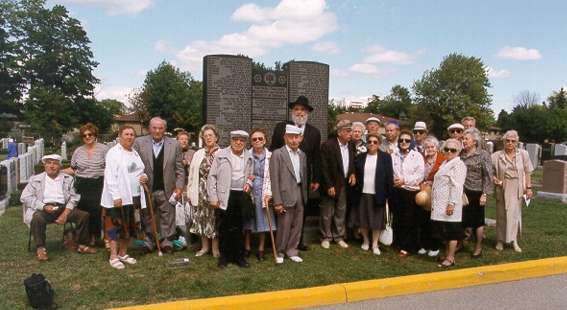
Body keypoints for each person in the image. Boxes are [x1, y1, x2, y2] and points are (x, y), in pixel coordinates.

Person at [21, 154, 97, 261]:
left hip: (63, 208)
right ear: (45, 166)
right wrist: (43, 206)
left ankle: (82, 245)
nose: (52, 166)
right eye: (49, 163)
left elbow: (74, 197)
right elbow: (25, 197)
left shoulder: (67, 179)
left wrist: (65, 213)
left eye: (55, 163)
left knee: (84, 215)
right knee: (37, 218)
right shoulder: (35, 180)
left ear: (60, 166)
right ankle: (41, 248)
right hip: (44, 209)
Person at [270, 95, 321, 251]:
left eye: (303, 110)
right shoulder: (281, 127)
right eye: (297, 109)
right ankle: (281, 245)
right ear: (292, 111)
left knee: (301, 211)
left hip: (303, 180)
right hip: (284, 178)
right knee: (284, 213)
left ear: (308, 113)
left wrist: (316, 178)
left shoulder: (314, 132)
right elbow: (273, 152)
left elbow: (316, 157)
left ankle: (297, 243)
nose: (300, 112)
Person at [134, 117, 185, 254]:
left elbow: (180, 169)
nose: (157, 131)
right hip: (146, 189)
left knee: (167, 216)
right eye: (154, 128)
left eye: (160, 128)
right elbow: (134, 167)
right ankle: (149, 242)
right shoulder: (139, 143)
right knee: (147, 216)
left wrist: (179, 187)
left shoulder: (174, 145)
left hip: (167, 188)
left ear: (165, 129)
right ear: (149, 128)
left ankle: (166, 242)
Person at [101, 126, 147, 269]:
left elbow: (139, 170)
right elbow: (110, 176)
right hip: (117, 198)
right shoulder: (113, 153)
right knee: (114, 227)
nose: (129, 137)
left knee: (129, 226)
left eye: (132, 134)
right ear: (120, 136)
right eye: (126, 134)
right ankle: (113, 256)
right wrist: (116, 195)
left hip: (133, 196)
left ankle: (123, 253)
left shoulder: (134, 153)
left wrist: (144, 177)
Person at [208, 130, 253, 268]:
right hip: (225, 195)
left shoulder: (249, 156)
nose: (238, 143)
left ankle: (239, 257)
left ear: (245, 142)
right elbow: (212, 176)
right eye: (235, 140)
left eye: (242, 140)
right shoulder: (221, 155)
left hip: (241, 195)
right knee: (225, 227)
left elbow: (252, 175)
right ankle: (224, 258)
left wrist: (249, 184)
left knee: (239, 227)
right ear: (231, 140)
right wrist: (213, 197)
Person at [64, 123, 108, 246]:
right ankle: (84, 236)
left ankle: (94, 236)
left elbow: (110, 167)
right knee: (83, 211)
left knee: (95, 211)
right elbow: (73, 169)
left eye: (90, 134)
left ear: (95, 135)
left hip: (98, 184)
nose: (87, 137)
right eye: (84, 135)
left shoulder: (104, 149)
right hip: (82, 184)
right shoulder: (78, 151)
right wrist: (59, 171)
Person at [270, 125, 309, 264]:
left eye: (296, 137)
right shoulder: (278, 154)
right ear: (285, 137)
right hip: (285, 194)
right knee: (284, 225)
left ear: (300, 138)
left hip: (299, 192)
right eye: (290, 137)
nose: (293, 140)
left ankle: (292, 250)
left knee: (297, 224)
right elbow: (274, 179)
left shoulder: (302, 154)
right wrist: (277, 201)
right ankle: (280, 252)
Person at [492, 130, 533, 253]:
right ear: (503, 142)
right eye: (507, 141)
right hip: (502, 187)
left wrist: (529, 187)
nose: (510, 143)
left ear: (517, 142)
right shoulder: (495, 156)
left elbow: (527, 171)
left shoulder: (524, 154)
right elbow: (490, 173)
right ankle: (500, 240)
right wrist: (495, 180)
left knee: (514, 215)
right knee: (501, 215)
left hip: (517, 188)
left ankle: (514, 240)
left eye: (513, 141)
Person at [351, 133, 393, 255]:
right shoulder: (360, 157)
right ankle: (365, 241)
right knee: (363, 219)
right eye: (370, 142)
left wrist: (388, 195)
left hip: (378, 194)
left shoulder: (386, 158)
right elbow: (354, 171)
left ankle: (375, 244)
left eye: (375, 142)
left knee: (376, 221)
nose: (372, 144)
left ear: (379, 143)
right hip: (362, 193)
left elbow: (389, 177)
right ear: (367, 143)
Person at [319, 119, 356, 249]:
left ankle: (338, 236)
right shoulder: (328, 145)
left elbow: (351, 162)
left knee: (341, 211)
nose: (350, 133)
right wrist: (329, 185)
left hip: (344, 184)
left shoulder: (351, 145)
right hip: (331, 184)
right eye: (348, 131)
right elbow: (323, 168)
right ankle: (326, 237)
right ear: (339, 132)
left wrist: (352, 173)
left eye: (351, 130)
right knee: (327, 212)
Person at [431, 138, 467, 268]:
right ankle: (446, 254)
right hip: (440, 203)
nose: (449, 151)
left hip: (449, 204)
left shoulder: (458, 165)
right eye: (447, 149)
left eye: (453, 150)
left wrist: (451, 204)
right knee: (445, 231)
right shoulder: (445, 162)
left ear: (458, 151)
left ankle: (451, 257)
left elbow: (457, 186)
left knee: (452, 232)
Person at [243, 128, 277, 261]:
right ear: (251, 142)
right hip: (249, 189)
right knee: (248, 221)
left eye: (260, 138)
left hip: (265, 190)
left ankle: (261, 249)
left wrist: (270, 193)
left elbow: (274, 175)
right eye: (254, 139)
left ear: (265, 140)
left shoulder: (271, 156)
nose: (257, 141)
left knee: (263, 220)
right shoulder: (247, 155)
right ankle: (247, 247)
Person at [187, 124, 220, 257]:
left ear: (216, 137)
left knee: (215, 219)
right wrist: (189, 191)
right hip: (200, 191)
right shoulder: (198, 153)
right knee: (201, 219)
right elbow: (192, 174)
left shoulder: (222, 153)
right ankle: (204, 247)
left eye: (210, 135)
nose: (208, 138)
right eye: (205, 136)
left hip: (215, 192)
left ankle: (215, 249)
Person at [391, 130, 424, 257]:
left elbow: (420, 175)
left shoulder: (417, 156)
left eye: (407, 140)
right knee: (398, 218)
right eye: (401, 140)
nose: (404, 142)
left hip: (410, 191)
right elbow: (392, 171)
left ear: (411, 142)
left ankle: (408, 246)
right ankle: (398, 243)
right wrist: (396, 181)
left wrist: (405, 180)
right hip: (397, 190)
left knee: (409, 220)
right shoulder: (394, 155)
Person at [461, 128, 493, 258]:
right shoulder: (461, 154)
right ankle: (461, 243)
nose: (464, 141)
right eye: (463, 139)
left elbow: (488, 175)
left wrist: (484, 194)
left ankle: (478, 247)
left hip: (477, 192)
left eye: (466, 139)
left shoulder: (483, 155)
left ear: (474, 141)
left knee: (478, 221)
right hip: (463, 192)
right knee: (463, 220)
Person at [417, 135, 445, 257]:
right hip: (423, 192)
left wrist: (432, 182)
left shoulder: (443, 159)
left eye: (432, 146)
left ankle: (435, 246)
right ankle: (424, 245)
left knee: (435, 221)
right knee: (423, 221)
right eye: (427, 147)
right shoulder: (421, 158)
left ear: (436, 147)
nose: (430, 149)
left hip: (437, 193)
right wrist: (421, 183)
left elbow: (444, 177)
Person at [175, 131, 195, 243]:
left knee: (189, 212)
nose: (183, 141)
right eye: (181, 139)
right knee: (178, 212)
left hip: (188, 186)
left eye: (186, 139)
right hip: (177, 186)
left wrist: (188, 164)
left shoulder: (193, 153)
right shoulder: (173, 152)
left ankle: (189, 237)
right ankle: (178, 235)